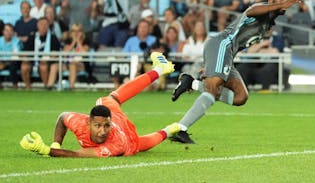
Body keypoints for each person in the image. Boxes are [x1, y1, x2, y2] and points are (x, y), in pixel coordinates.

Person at [169, 0, 303, 143]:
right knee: (213, 88)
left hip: (227, 54)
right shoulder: (259, 10)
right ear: (271, 0)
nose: (286, 0)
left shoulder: (268, 24)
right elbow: (251, 11)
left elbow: (238, 43)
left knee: (240, 97)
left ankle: (192, 84)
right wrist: (282, 4)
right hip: (221, 45)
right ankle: (181, 129)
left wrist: (217, 63)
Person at [19, 52, 181, 157]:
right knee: (114, 102)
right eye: (97, 126)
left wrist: (45, 150)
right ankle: (169, 128)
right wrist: (56, 144)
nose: (102, 131)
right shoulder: (79, 122)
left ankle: (160, 72)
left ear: (108, 124)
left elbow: (78, 154)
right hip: (116, 121)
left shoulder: (114, 146)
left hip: (123, 134)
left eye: (105, 126)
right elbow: (62, 118)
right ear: (88, 123)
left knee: (137, 144)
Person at [21, 17, 61, 90]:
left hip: (48, 61)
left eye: (45, 24)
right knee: (24, 67)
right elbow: (25, 52)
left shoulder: (53, 37)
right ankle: (28, 88)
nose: (43, 26)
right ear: (37, 25)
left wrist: (47, 59)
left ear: (48, 25)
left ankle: (47, 88)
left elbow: (56, 53)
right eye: (41, 24)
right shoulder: (32, 36)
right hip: (33, 61)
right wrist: (26, 58)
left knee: (43, 66)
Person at [0, 24, 22, 89]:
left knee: (13, 65)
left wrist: (5, 64)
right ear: (3, 32)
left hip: (13, 61)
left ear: (13, 32)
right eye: (6, 30)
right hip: (2, 60)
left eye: (10, 30)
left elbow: (16, 56)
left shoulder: (17, 41)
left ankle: (15, 86)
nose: (8, 32)